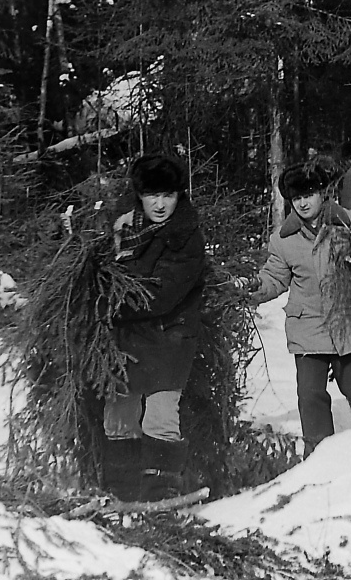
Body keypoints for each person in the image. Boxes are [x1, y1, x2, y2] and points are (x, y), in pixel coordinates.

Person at [240, 163, 351, 458]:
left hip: (350, 324)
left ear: (323, 193)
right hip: (308, 328)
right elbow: (273, 279)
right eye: (296, 197)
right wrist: (248, 288)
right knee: (310, 396)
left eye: (309, 194)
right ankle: (320, 460)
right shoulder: (283, 240)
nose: (303, 202)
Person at [104, 154, 205, 502]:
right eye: (152, 196)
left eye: (168, 196)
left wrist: (111, 303)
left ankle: (159, 497)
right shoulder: (122, 230)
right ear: (140, 196)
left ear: (179, 196)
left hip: (170, 337)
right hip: (128, 340)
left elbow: (161, 294)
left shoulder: (186, 236)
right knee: (118, 415)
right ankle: (122, 495)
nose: (160, 205)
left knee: (159, 416)